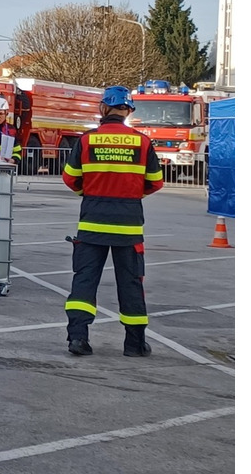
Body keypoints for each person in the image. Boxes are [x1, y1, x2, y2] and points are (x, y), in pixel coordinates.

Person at [61, 85, 164, 357]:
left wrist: (92, 193)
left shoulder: (87, 140)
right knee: (131, 283)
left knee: (84, 281)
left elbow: (71, 178)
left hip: (92, 221)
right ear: (128, 110)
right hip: (128, 225)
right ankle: (134, 344)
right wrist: (129, 195)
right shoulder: (142, 142)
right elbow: (155, 182)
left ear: (103, 108)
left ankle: (77, 339)